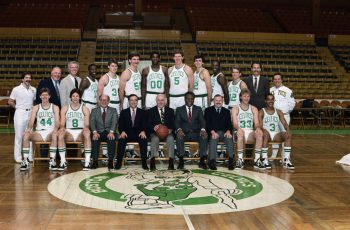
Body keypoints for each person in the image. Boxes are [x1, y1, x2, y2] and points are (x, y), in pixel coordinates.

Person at [20, 88, 60, 171]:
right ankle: (25, 160)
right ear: (40, 96)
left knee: (55, 135)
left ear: (49, 96)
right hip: (39, 132)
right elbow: (31, 121)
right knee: (26, 135)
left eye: (46, 95)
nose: (44, 96)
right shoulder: (36, 107)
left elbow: (57, 121)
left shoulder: (55, 107)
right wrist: (29, 129)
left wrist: (56, 129)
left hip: (50, 131)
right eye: (43, 95)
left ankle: (52, 160)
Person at [57, 89, 91, 170]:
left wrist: (86, 128)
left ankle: (87, 162)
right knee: (60, 134)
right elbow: (62, 124)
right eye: (73, 96)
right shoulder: (65, 108)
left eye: (77, 96)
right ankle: (63, 161)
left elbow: (87, 124)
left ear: (80, 97)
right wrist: (62, 128)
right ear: (70, 98)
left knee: (87, 133)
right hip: (69, 131)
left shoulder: (85, 108)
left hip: (80, 132)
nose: (75, 98)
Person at [259, 94, 294, 169]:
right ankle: (264, 159)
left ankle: (286, 160)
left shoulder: (278, 111)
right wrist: (263, 130)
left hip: (276, 134)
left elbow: (284, 123)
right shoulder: (262, 111)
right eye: (268, 99)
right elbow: (260, 125)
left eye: (272, 99)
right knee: (265, 134)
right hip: (266, 134)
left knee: (288, 135)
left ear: (274, 100)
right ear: (265, 101)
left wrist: (288, 131)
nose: (270, 101)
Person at [232, 89, 264, 169]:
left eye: (248, 96)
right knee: (240, 134)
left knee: (259, 134)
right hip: (239, 131)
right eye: (244, 96)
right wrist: (239, 128)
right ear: (240, 97)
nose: (246, 98)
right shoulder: (235, 108)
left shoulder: (254, 108)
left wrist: (258, 128)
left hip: (250, 131)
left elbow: (256, 123)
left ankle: (257, 160)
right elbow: (235, 123)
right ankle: (240, 160)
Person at [8, 72, 36, 163]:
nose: (28, 79)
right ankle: (18, 156)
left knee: (30, 135)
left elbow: (35, 102)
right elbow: (10, 101)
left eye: (29, 77)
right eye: (26, 77)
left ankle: (29, 156)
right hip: (20, 113)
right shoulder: (16, 89)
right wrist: (17, 107)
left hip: (31, 113)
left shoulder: (33, 89)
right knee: (19, 136)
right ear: (22, 79)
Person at [175, 92, 208, 169]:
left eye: (191, 99)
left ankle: (202, 160)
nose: (189, 100)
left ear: (194, 99)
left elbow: (202, 121)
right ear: (184, 99)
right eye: (187, 99)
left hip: (196, 133)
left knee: (204, 136)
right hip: (184, 133)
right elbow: (177, 122)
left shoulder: (198, 109)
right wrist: (179, 130)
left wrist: (203, 129)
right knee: (179, 136)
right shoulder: (179, 109)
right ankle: (181, 160)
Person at [115, 94, 148, 170]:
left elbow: (145, 124)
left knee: (143, 140)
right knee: (121, 140)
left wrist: (143, 131)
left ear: (137, 101)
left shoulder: (143, 112)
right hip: (127, 134)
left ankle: (144, 163)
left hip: (139, 134)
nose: (133, 102)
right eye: (131, 100)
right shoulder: (123, 112)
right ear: (129, 101)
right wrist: (122, 131)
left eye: (135, 100)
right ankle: (118, 163)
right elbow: (121, 124)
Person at [35, 66, 62, 158]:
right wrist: (40, 110)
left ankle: (57, 155)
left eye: (59, 73)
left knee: (57, 133)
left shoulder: (61, 82)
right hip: (47, 111)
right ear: (51, 73)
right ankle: (43, 156)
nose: (57, 75)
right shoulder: (44, 82)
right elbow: (38, 97)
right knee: (45, 131)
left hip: (59, 112)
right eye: (55, 73)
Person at [204, 94, 234, 170]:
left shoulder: (226, 111)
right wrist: (212, 132)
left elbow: (229, 124)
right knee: (213, 139)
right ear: (213, 101)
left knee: (229, 139)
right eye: (216, 100)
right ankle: (212, 161)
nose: (218, 102)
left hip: (224, 133)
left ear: (222, 101)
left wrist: (228, 131)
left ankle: (231, 161)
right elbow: (207, 123)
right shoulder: (208, 110)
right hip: (213, 133)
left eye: (220, 100)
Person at [97, 59, 120, 157]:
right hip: (107, 105)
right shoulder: (104, 78)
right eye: (112, 66)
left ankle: (114, 152)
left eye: (116, 66)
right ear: (108, 66)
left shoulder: (119, 78)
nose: (114, 68)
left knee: (115, 129)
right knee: (105, 128)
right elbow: (99, 94)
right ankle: (105, 153)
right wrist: (100, 108)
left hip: (117, 104)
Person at [270, 73, 296, 158]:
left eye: (278, 79)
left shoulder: (288, 90)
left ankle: (285, 157)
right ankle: (274, 155)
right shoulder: (270, 90)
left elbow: (292, 103)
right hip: (272, 117)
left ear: (281, 80)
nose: (277, 80)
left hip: (284, 116)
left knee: (285, 136)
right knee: (274, 136)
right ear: (273, 80)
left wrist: (285, 112)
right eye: (275, 79)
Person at [147, 94, 175, 170]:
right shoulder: (151, 111)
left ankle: (171, 161)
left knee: (171, 139)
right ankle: (152, 160)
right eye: (159, 100)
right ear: (156, 101)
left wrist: (171, 129)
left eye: (162, 100)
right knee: (154, 139)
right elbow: (148, 124)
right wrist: (153, 128)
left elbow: (173, 123)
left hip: (167, 133)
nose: (160, 102)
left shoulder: (171, 111)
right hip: (155, 133)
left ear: (165, 101)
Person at [90, 94, 118, 170]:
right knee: (95, 139)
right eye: (102, 100)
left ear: (108, 101)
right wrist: (95, 132)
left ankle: (110, 161)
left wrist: (112, 132)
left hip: (109, 132)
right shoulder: (94, 110)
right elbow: (92, 122)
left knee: (111, 139)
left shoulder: (113, 110)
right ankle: (95, 161)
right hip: (98, 132)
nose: (104, 101)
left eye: (105, 100)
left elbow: (114, 122)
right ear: (99, 101)